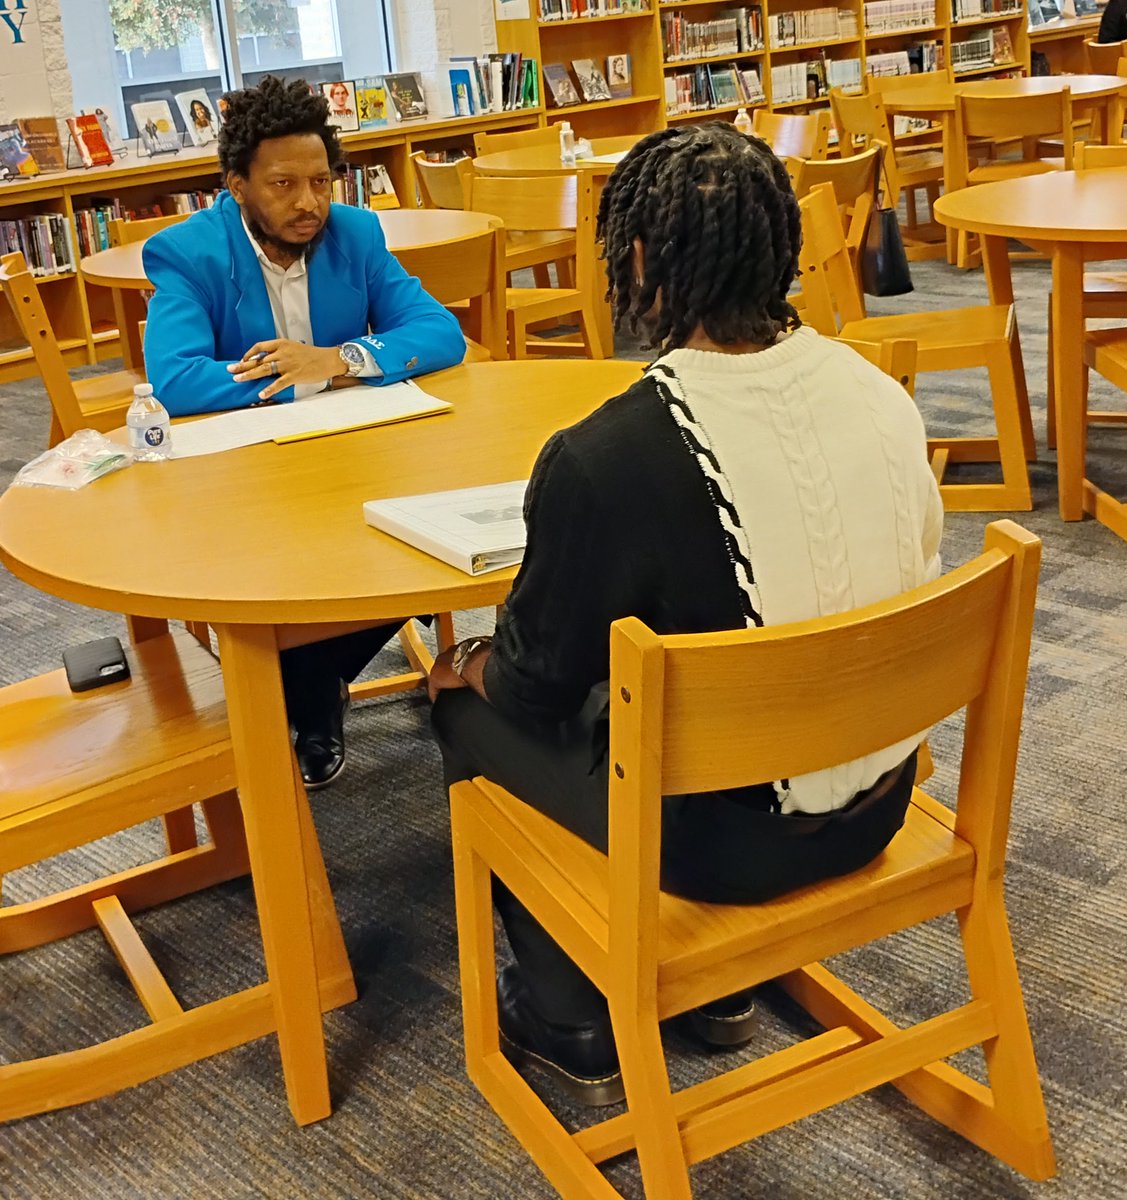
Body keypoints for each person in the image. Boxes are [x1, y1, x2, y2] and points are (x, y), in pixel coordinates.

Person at [430, 124, 943, 1107]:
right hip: (879, 801)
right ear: (778, 245)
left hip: (726, 855)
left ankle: (573, 1017)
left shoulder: (605, 458)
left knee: (466, 710)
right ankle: (723, 997)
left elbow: (536, 690)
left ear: (632, 259)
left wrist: (465, 665)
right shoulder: (882, 395)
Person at [144, 75, 466, 790]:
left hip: (357, 459)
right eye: (284, 184)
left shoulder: (355, 234)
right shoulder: (188, 253)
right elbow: (175, 378)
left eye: (322, 181)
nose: (309, 204)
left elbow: (440, 333)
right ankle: (313, 690)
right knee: (290, 568)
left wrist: (340, 360)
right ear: (237, 185)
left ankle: (308, 683)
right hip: (246, 479)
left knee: (429, 547)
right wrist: (290, 375)